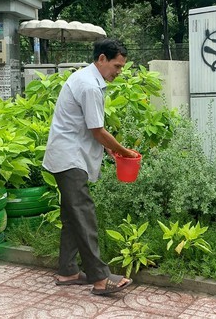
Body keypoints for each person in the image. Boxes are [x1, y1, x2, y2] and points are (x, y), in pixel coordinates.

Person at [42, 38, 137, 296]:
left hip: (69, 154)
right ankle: (100, 278)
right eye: (116, 66)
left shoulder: (87, 79)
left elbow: (88, 126)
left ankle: (68, 271)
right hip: (70, 157)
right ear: (102, 59)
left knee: (73, 216)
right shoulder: (90, 86)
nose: (118, 72)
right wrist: (123, 151)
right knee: (84, 214)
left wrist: (107, 146)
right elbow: (97, 130)